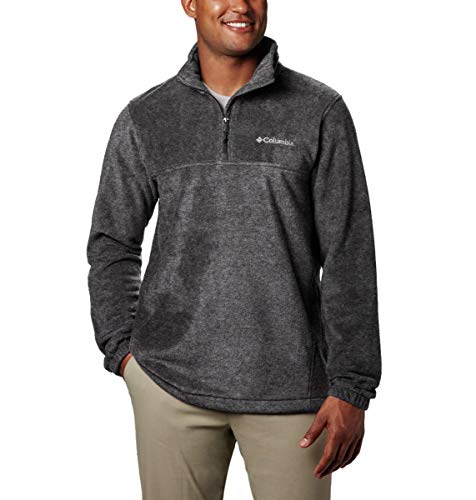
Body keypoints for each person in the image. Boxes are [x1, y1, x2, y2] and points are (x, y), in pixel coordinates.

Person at [86, 0, 382, 498]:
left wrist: (353, 385)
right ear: (190, 4)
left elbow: (349, 254)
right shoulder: (148, 116)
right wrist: (122, 352)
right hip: (168, 385)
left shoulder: (319, 110)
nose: (241, 5)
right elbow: (112, 241)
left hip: (293, 391)